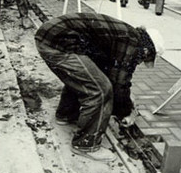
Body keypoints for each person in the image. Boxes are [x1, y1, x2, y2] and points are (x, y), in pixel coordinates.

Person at [35, 13, 164, 162]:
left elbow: (108, 72)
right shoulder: (132, 44)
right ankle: (85, 144)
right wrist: (126, 112)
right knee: (101, 90)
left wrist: (127, 99)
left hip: (51, 37)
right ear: (147, 51)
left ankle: (66, 115)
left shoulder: (128, 35)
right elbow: (118, 84)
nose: (141, 61)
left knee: (88, 78)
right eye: (145, 59)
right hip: (58, 44)